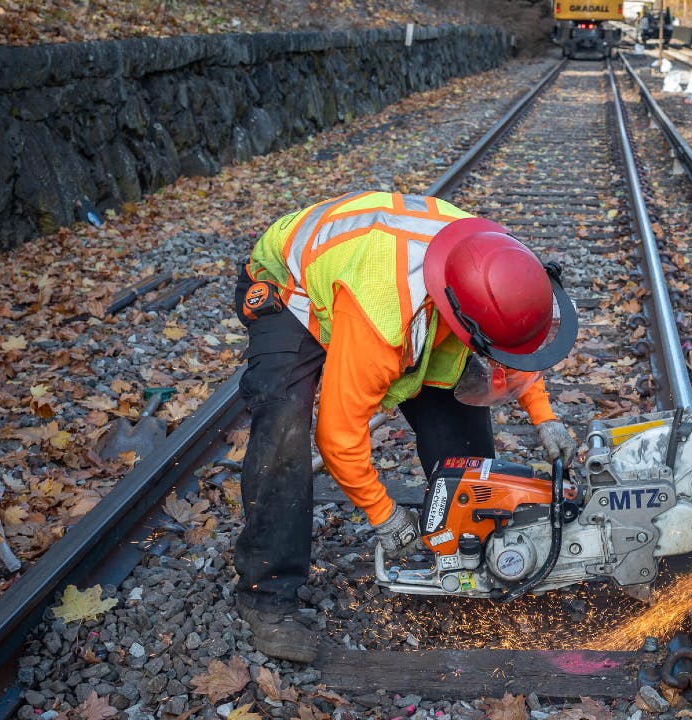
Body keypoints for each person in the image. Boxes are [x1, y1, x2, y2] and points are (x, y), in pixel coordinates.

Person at [232, 191, 579, 662]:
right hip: (289, 283)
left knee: (464, 447)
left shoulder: (494, 261)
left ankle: (469, 560)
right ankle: (267, 598)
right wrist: (383, 514)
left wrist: (545, 416)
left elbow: (511, 342)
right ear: (461, 318)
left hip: (396, 283)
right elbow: (337, 434)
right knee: (283, 421)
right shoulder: (384, 315)